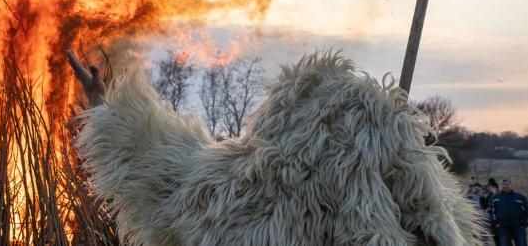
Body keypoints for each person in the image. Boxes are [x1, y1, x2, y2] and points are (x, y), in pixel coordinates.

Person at [67, 50, 483, 245]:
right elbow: (433, 215)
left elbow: (151, 167)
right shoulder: (239, 181)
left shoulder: (224, 184)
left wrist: (102, 104)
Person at [489, 178, 528, 246]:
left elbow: (526, 211)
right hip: (503, 228)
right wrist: (496, 223)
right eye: (503, 184)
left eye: (507, 184)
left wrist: (524, 223)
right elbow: (492, 211)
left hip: (518, 228)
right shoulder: (495, 197)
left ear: (511, 185)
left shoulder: (520, 197)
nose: (505, 186)